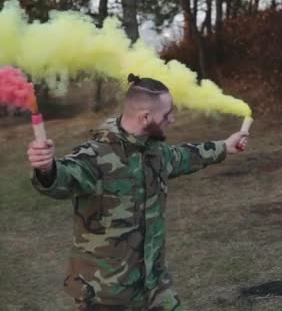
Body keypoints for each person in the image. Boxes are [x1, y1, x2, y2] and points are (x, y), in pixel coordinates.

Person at [27, 74, 249, 310]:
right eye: (167, 114)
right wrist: (46, 169)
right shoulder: (95, 156)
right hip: (106, 294)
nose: (172, 119)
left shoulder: (155, 153)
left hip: (153, 286)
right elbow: (63, 177)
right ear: (146, 117)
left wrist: (225, 146)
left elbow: (186, 156)